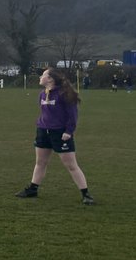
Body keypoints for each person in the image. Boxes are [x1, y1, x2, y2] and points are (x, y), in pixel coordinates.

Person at [16, 68, 95, 205]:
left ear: (50, 79)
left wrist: (69, 131)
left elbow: (73, 115)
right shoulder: (42, 94)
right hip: (43, 131)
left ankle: (86, 193)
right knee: (40, 162)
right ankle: (33, 189)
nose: (40, 77)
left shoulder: (65, 94)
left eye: (43, 75)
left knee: (71, 165)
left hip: (60, 133)